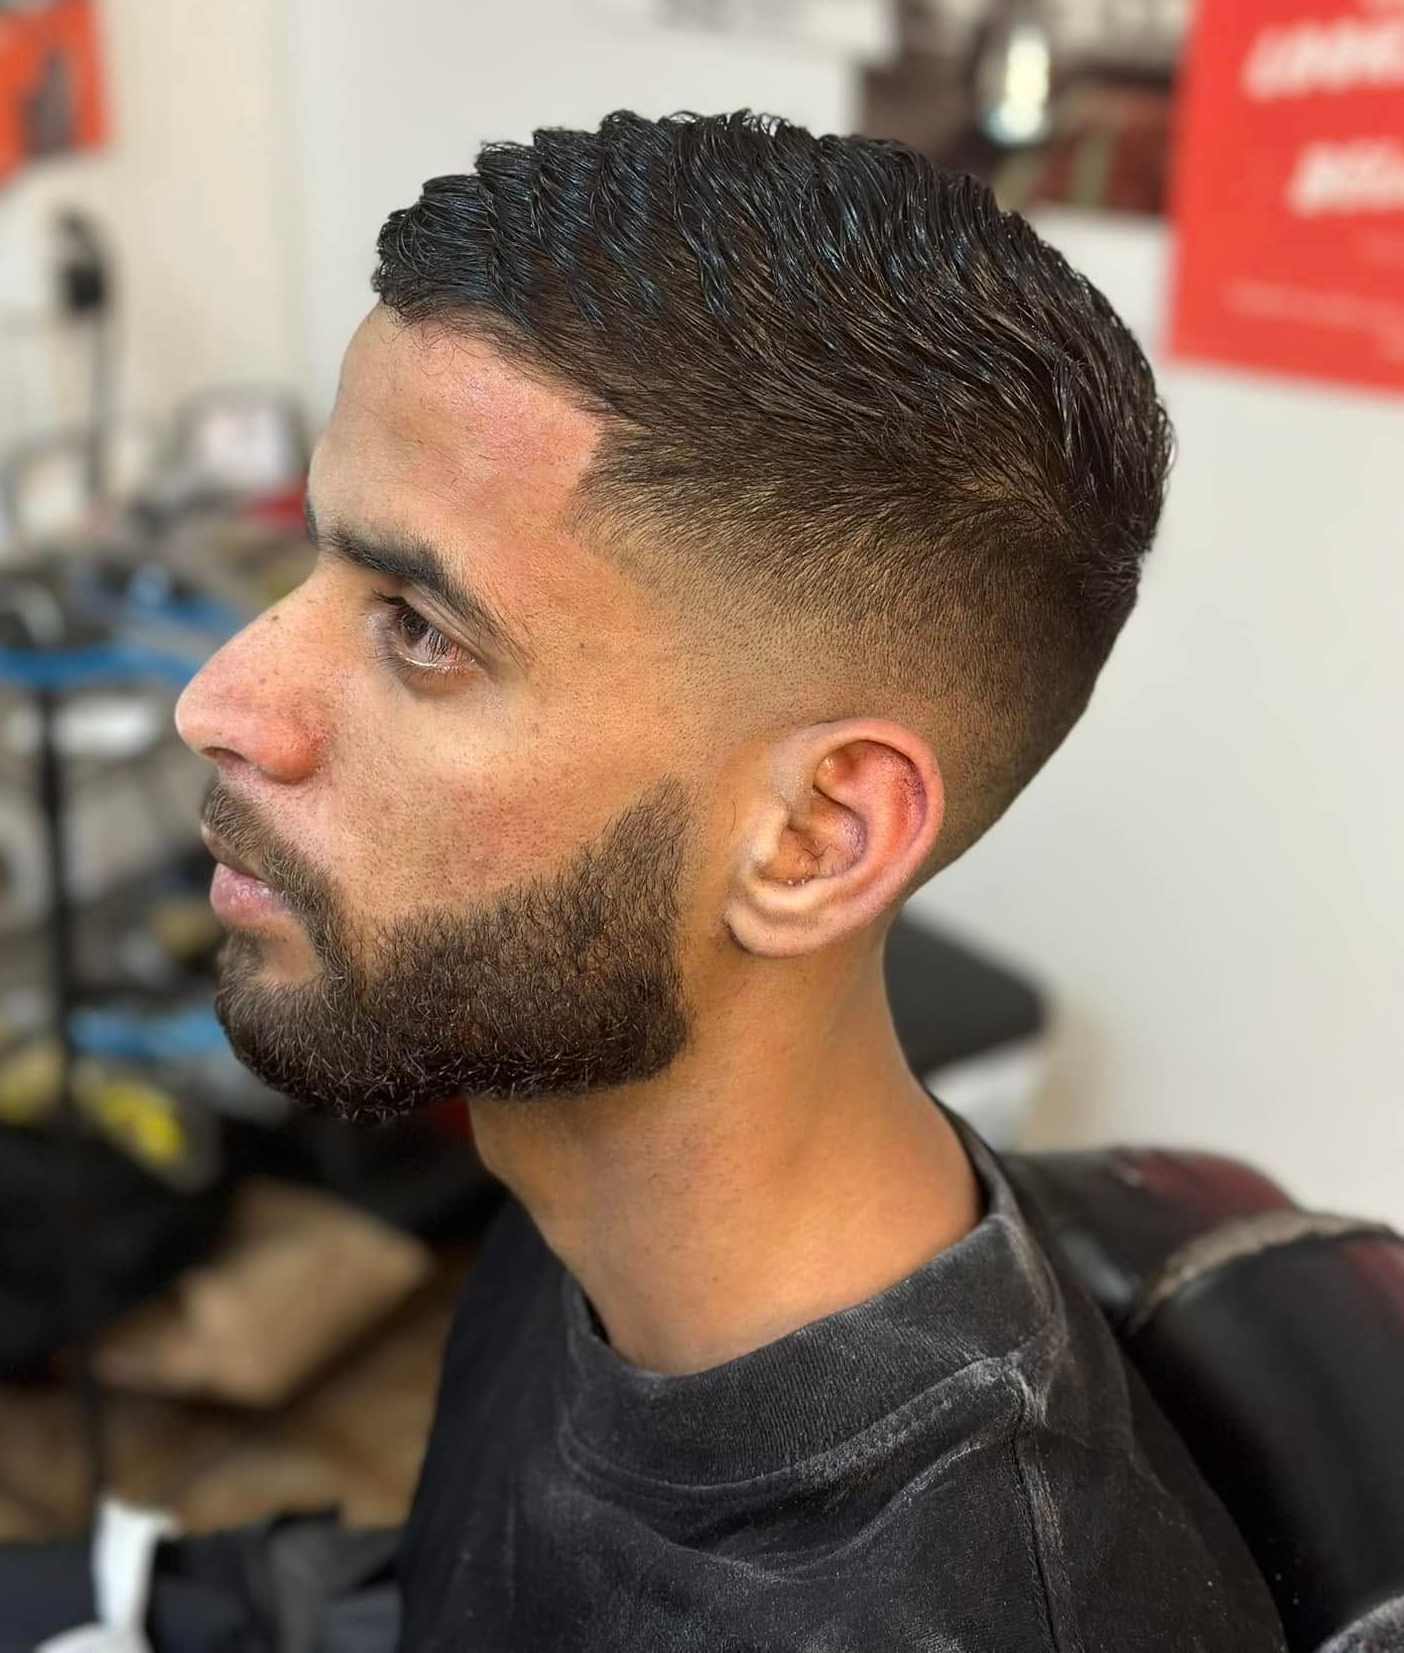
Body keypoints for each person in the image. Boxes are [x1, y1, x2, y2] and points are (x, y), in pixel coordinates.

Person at [175, 110, 1285, 1651]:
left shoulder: (960, 1612)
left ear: (816, 839)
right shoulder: (575, 1174)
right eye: (318, 569)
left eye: (420, 629)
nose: (222, 703)